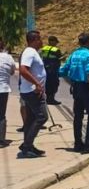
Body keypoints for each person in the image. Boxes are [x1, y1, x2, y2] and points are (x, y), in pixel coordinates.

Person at [60, 32, 89, 152]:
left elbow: (63, 70)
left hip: (76, 88)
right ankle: (88, 144)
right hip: (87, 87)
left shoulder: (74, 54)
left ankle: (78, 144)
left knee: (78, 116)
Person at [18, 30, 49, 158]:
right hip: (32, 91)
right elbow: (23, 70)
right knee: (42, 117)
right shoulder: (30, 52)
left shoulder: (32, 52)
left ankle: (29, 146)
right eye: (40, 39)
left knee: (31, 120)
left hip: (31, 90)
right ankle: (26, 146)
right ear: (35, 39)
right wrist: (37, 83)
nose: (42, 41)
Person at [0, 38, 15, 147]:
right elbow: (12, 71)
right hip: (3, 89)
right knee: (1, 115)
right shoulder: (8, 57)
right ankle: (1, 140)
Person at [40, 36, 63, 105]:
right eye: (55, 42)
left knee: (46, 84)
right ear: (52, 41)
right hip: (53, 70)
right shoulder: (56, 50)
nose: (56, 43)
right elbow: (59, 58)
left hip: (44, 69)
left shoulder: (43, 48)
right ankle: (51, 99)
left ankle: (46, 98)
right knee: (54, 84)